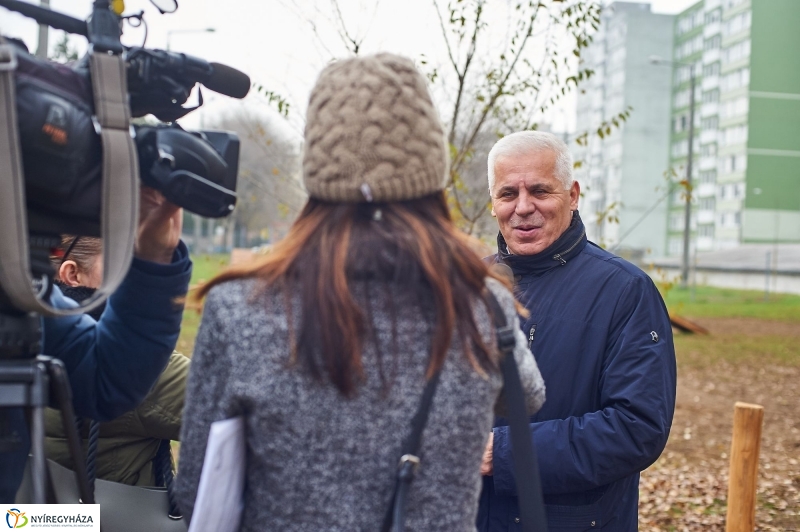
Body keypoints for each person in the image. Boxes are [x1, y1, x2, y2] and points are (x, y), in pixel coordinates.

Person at [175, 53, 546, 531]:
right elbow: (529, 396)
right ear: (428, 174)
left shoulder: (242, 310)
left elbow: (195, 493)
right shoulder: (481, 306)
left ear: (318, 171)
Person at [476, 131, 677, 531]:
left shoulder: (624, 291)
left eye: (539, 191)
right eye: (507, 194)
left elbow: (636, 428)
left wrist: (502, 452)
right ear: (493, 203)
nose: (523, 208)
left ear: (572, 194)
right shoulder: (470, 285)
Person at [0, 188, 191, 502]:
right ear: (71, 273)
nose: (128, 273)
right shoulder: (151, 368)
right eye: (119, 261)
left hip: (27, 518)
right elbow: (236, 419)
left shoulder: (29, 318)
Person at [43, 235, 189, 487]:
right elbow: (240, 411)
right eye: (123, 264)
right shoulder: (138, 362)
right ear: (73, 274)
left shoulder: (26, 333)